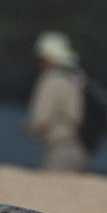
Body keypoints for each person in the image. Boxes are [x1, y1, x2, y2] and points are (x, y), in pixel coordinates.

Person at [22, 31, 88, 172]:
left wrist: (29, 128)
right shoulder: (73, 79)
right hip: (78, 149)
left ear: (48, 58)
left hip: (58, 150)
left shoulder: (51, 81)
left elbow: (41, 118)